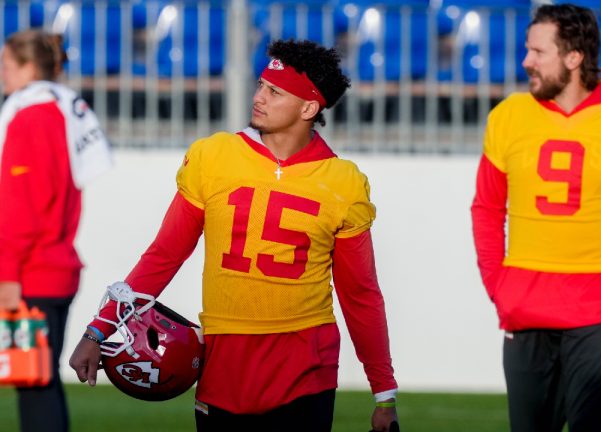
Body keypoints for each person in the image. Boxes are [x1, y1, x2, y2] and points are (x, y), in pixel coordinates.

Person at [69, 39, 399, 432]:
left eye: (274, 91)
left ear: (308, 108)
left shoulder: (344, 183)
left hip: (305, 365)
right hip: (223, 363)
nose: (258, 97)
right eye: (260, 85)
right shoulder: (214, 156)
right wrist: (99, 329)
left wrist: (383, 391)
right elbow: (164, 254)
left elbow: (360, 293)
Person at [470, 4, 601, 432]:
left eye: (537, 52)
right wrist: (499, 287)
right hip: (525, 306)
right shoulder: (507, 116)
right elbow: (486, 209)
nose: (526, 61)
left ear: (573, 57)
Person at [0, 30, 112, 432]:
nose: (3, 75)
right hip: (52, 269)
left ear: (30, 68)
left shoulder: (31, 115)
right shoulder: (61, 111)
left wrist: (8, 273)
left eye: (8, 67)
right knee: (38, 383)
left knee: (35, 386)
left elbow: (21, 203)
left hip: (32, 273)